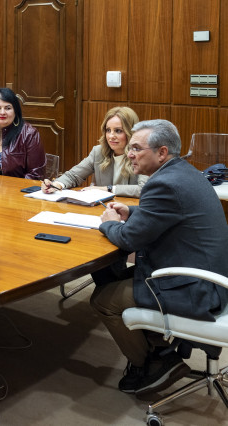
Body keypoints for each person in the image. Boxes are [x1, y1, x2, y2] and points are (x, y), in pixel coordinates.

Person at [91, 119, 228, 397]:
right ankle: (157, 344)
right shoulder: (183, 173)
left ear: (162, 152)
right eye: (130, 148)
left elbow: (129, 239)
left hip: (197, 288)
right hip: (213, 276)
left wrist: (108, 223)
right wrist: (132, 212)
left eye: (136, 148)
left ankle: (155, 363)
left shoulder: (163, 183)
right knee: (113, 278)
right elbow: (167, 215)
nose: (129, 154)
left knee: (105, 300)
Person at [42, 106, 147, 197]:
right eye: (108, 130)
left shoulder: (143, 155)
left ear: (131, 132)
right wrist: (56, 185)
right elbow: (73, 176)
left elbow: (143, 189)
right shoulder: (99, 152)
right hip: (102, 209)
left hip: (131, 211)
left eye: (118, 131)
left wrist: (107, 189)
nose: (111, 136)